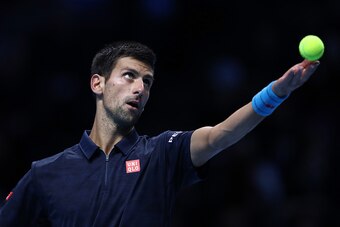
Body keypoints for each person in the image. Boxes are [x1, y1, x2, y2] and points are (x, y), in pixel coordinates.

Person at [0, 40, 319, 227]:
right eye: (129, 76)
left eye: (147, 82)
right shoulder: (46, 173)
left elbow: (220, 135)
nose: (140, 87)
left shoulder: (162, 153)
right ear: (98, 83)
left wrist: (277, 93)